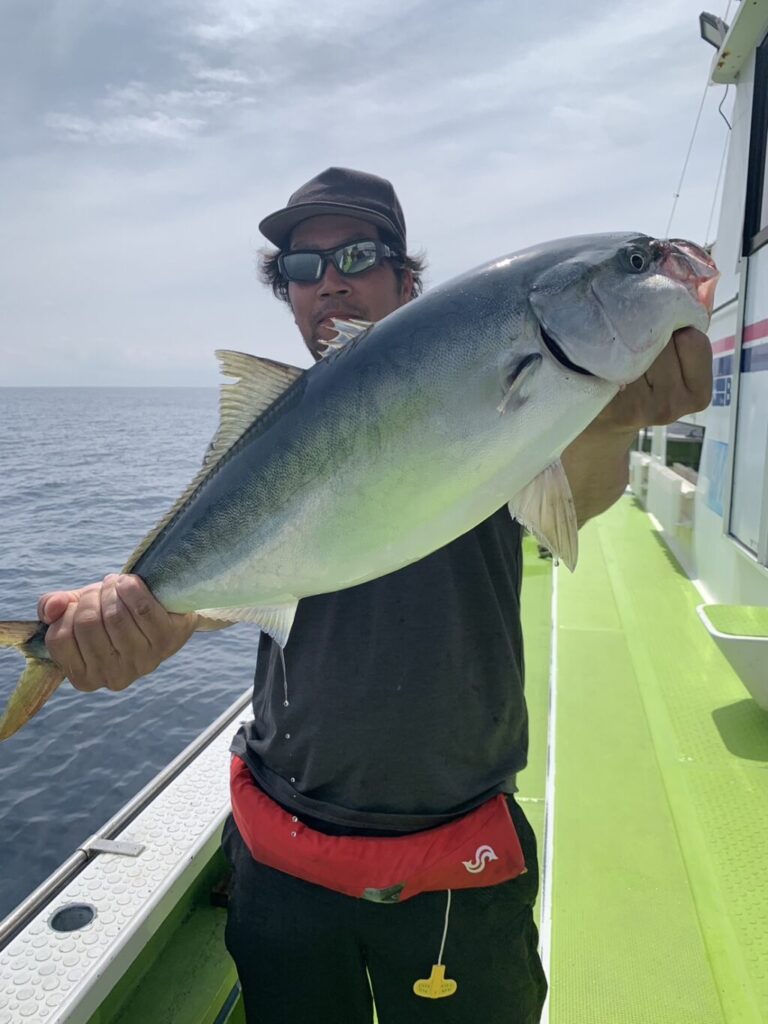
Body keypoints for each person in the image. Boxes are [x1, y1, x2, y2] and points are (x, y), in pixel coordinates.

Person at [38, 168, 713, 1023]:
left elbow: (577, 492)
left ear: (406, 278)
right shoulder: (278, 433)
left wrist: (611, 419)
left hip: (455, 855)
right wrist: (137, 622)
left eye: (355, 256)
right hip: (280, 846)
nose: (328, 282)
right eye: (301, 268)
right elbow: (207, 594)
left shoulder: (494, 399)